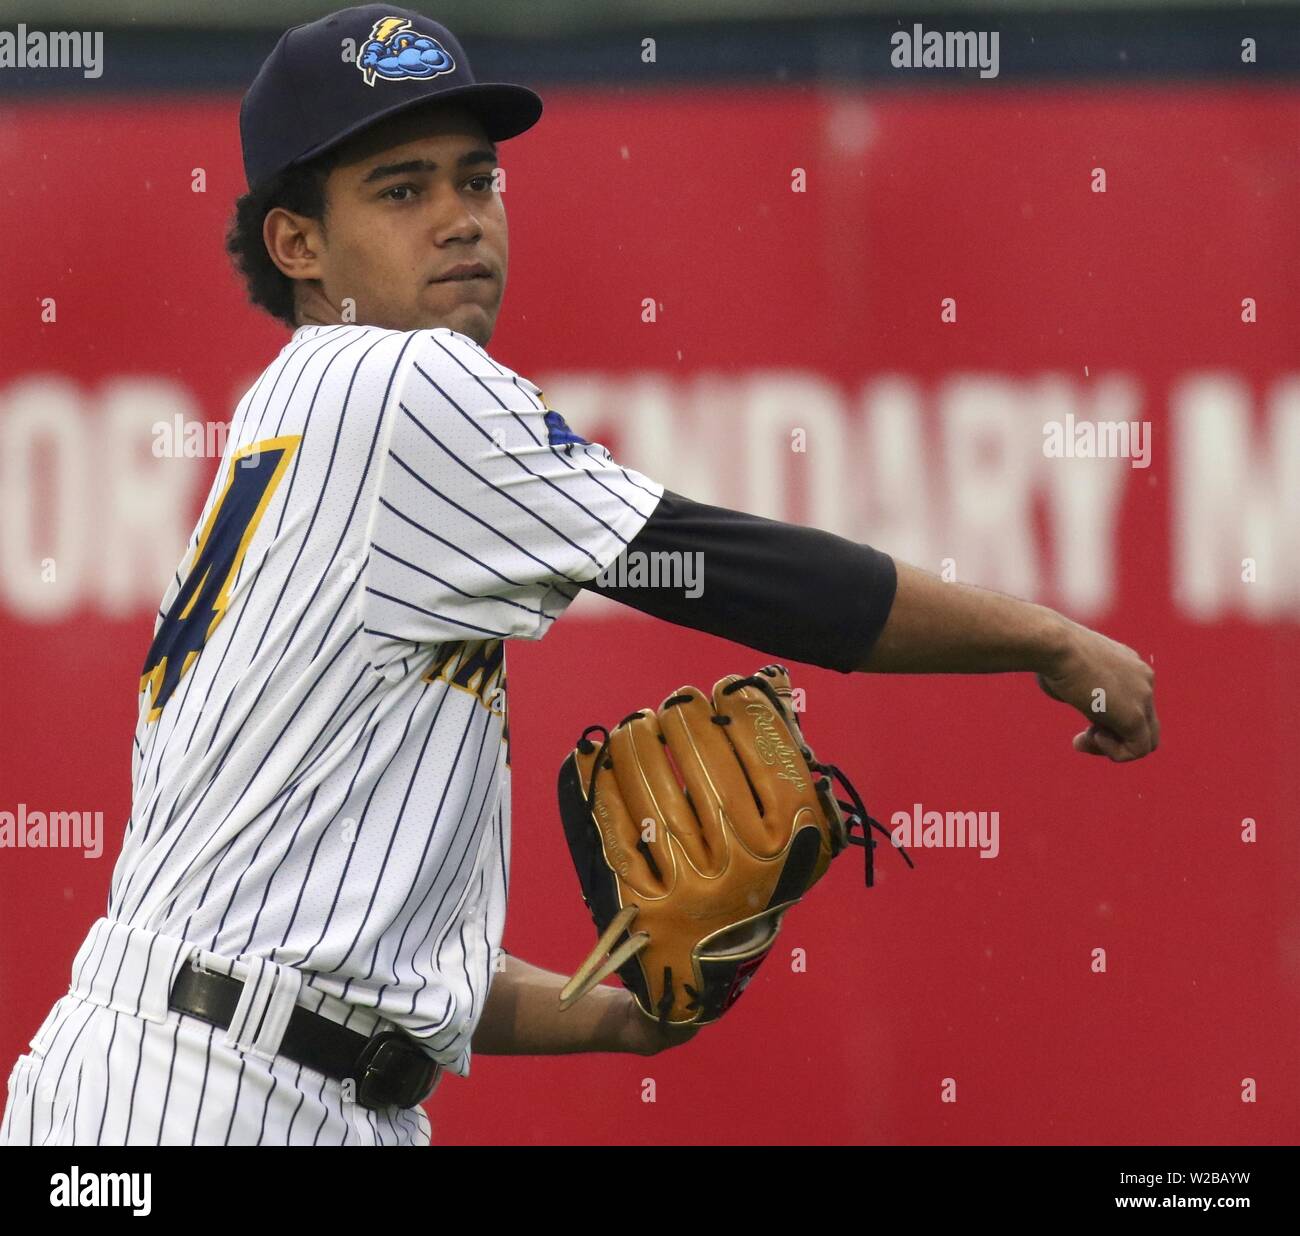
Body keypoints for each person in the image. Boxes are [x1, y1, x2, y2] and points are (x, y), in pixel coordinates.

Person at [0, 6, 1157, 1147]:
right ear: (297, 244)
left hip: (232, 1080)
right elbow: (715, 567)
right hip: (207, 1100)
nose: (459, 219)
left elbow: (368, 976)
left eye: (476, 180)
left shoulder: (300, 423)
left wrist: (612, 1021)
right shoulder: (398, 387)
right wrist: (1046, 639)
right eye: (402, 191)